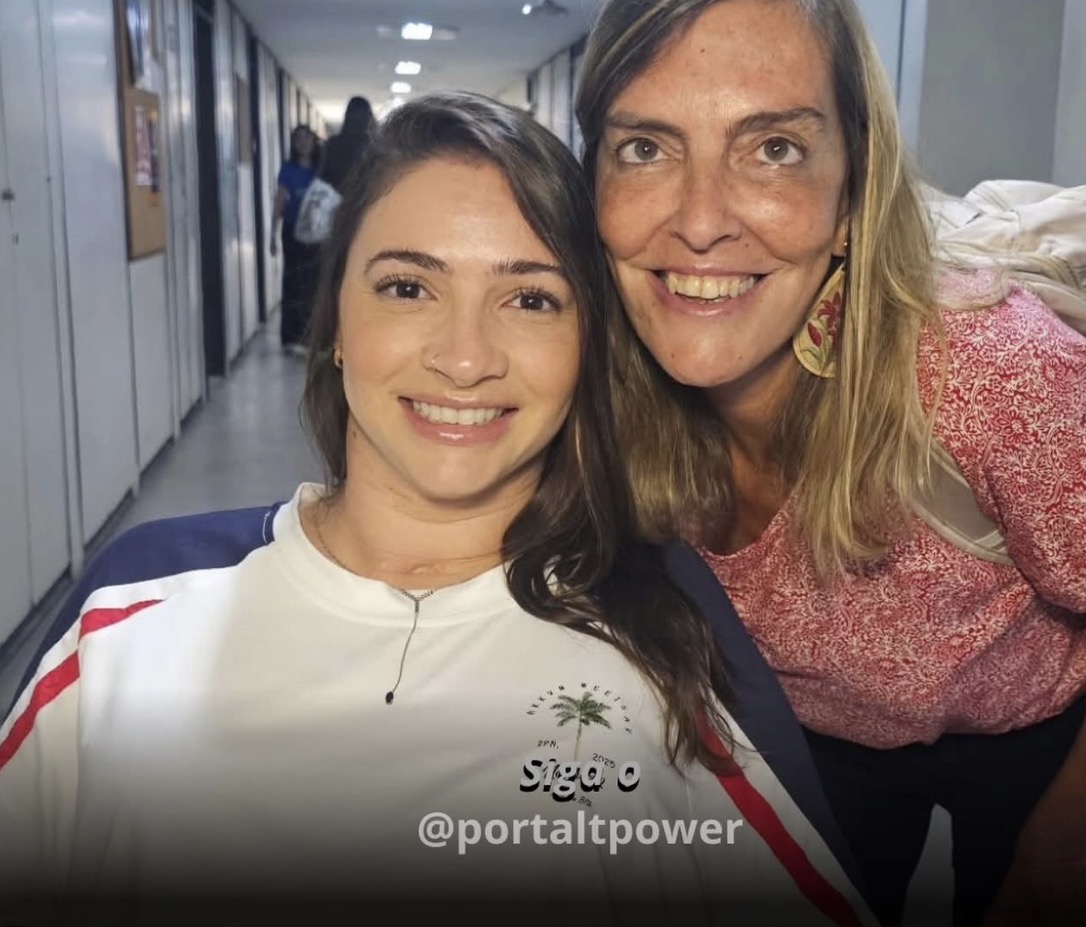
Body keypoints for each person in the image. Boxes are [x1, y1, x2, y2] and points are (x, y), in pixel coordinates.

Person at [0, 92, 873, 925]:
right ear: (334, 320)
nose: (464, 358)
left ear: (586, 347)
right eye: (408, 287)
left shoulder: (663, 635)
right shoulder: (129, 609)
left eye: (530, 299)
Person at [574, 1, 1086, 926]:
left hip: (1057, 724)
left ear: (852, 191)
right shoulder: (589, 387)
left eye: (773, 148)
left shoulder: (998, 378)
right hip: (821, 731)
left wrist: (1055, 849)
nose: (699, 222)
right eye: (644, 147)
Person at [271, 124, 322, 353]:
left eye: (307, 139)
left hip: (315, 233)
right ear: (293, 144)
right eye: (298, 139)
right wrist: (272, 234)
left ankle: (310, 335)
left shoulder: (320, 169)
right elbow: (279, 200)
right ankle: (290, 337)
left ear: (313, 142)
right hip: (292, 231)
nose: (303, 144)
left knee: (312, 283)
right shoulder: (288, 169)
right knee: (292, 281)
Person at [318, 95, 375, 195]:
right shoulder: (373, 144)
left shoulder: (333, 143)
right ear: (368, 117)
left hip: (336, 197)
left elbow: (323, 175)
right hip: (365, 197)